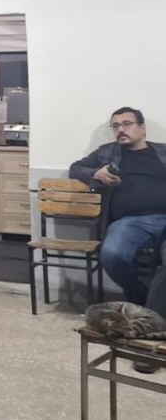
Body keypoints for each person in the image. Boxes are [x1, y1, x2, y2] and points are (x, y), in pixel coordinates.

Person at [69, 107, 166, 304]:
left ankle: (155, 308)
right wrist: (96, 174)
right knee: (112, 254)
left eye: (127, 124)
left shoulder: (163, 151)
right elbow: (75, 168)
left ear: (142, 128)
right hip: (130, 223)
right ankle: (139, 296)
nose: (121, 129)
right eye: (116, 126)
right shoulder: (106, 153)